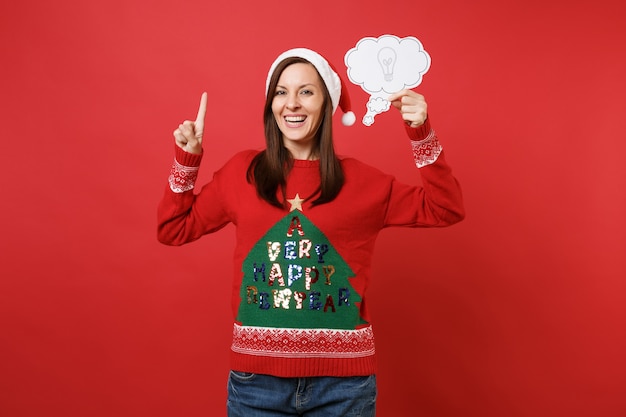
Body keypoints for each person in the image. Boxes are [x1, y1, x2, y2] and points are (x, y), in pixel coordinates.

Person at [157, 48, 464, 416]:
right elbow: (172, 228)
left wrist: (421, 132)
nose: (291, 104)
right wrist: (186, 159)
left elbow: (446, 208)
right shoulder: (243, 173)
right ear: (270, 104)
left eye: (306, 91)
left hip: (344, 388)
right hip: (256, 385)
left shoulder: (365, 183)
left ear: (327, 103)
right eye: (281, 92)